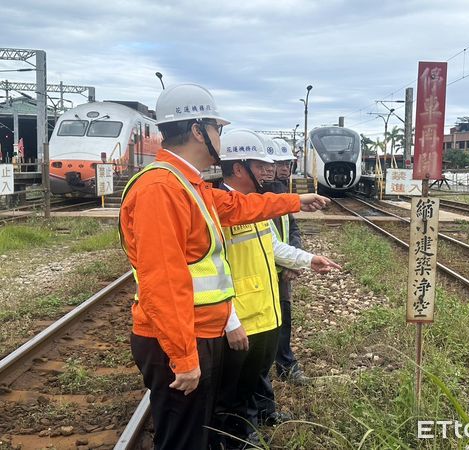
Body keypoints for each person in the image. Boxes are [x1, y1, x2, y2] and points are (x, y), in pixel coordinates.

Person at [118, 84, 331, 450]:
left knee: (198, 433)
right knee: (182, 440)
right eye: (217, 128)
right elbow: (163, 280)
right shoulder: (160, 188)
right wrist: (184, 357)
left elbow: (238, 207)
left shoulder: (186, 183)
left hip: (201, 330)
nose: (221, 136)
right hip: (182, 337)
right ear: (199, 130)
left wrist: (296, 200)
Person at [213, 129, 341, 448]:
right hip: (239, 321)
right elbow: (208, 272)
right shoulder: (216, 209)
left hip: (263, 316)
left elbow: (273, 245)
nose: (269, 171)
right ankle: (237, 441)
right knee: (231, 396)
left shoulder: (252, 205)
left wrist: (308, 260)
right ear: (239, 167)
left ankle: (249, 430)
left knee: (251, 383)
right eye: (261, 165)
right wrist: (230, 321)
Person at [269, 138, 307, 383]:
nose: (284, 168)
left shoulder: (284, 192)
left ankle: (285, 363)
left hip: (283, 268)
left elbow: (292, 228)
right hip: (265, 269)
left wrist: (293, 261)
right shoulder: (258, 195)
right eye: (279, 163)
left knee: (284, 315)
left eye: (288, 164)